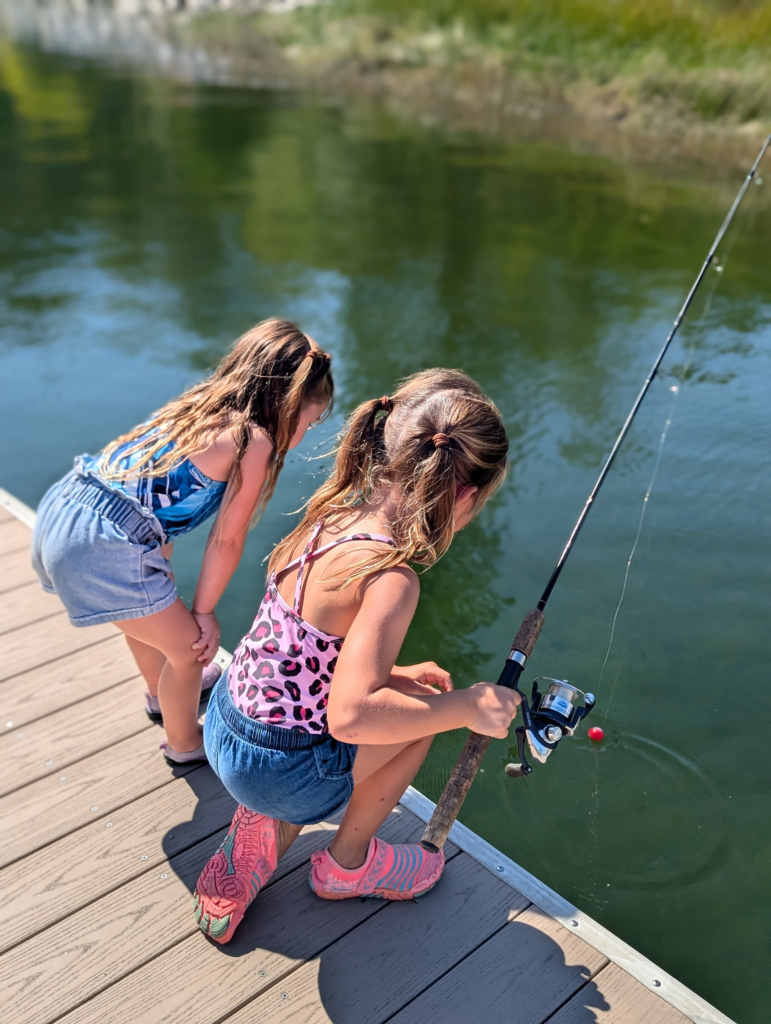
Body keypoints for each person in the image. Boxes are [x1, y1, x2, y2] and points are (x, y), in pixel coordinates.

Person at [194, 368, 520, 944]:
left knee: (408, 694)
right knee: (426, 715)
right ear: (466, 495)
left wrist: (396, 676)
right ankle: (348, 866)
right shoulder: (391, 578)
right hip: (278, 769)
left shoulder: (332, 513)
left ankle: (263, 821)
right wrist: (468, 706)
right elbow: (350, 717)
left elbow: (301, 652)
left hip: (224, 724)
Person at [31, 319, 333, 764]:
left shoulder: (195, 407)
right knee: (192, 650)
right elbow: (226, 540)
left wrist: (168, 593)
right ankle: (185, 744)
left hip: (66, 512)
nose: (306, 432)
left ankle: (161, 694)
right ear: (286, 406)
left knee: (150, 617)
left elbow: (150, 507)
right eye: (310, 420)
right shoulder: (253, 440)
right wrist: (204, 614)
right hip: (103, 548)